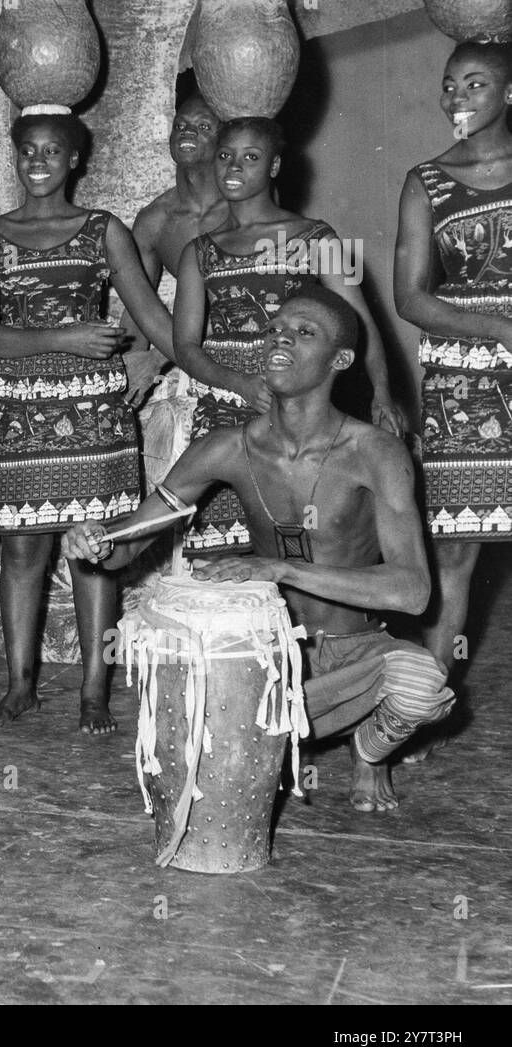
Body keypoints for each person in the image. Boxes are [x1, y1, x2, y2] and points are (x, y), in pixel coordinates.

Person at [64, 287, 454, 811]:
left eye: (303, 332)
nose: (279, 337)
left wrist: (280, 568)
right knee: (208, 736)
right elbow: (124, 550)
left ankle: (370, 750)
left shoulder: (375, 452)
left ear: (341, 360)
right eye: (274, 328)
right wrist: (93, 543)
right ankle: (285, 731)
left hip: (356, 650)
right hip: (269, 657)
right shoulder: (226, 446)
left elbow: (412, 592)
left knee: (421, 682)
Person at [0, 109, 176, 733]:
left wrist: (197, 361)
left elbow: (150, 314)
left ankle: (92, 692)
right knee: (23, 548)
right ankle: (20, 685)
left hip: (94, 413)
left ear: (74, 160)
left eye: (51, 151)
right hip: (20, 409)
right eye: (27, 151)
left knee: (93, 548)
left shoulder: (101, 229)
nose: (37, 162)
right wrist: (67, 336)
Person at [173, 116, 404, 554]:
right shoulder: (197, 251)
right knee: (223, 553)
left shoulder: (317, 237)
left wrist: (383, 393)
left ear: (275, 167)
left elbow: (362, 325)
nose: (234, 167)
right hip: (223, 407)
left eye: (251, 157)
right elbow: (185, 345)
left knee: (295, 543)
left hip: (296, 408)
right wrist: (237, 383)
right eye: (225, 156)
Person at [394, 40, 512, 697]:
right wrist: (497, 328)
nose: (457, 98)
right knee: (458, 549)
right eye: (450, 85)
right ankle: (422, 701)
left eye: (476, 85)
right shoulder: (427, 181)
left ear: (508, 94)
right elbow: (410, 296)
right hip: (463, 384)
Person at [124, 94, 229, 487]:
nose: (188, 133)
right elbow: (138, 304)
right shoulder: (155, 220)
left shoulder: (241, 210)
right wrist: (137, 363)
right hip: (185, 362)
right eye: (182, 125)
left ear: (222, 141)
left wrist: (159, 359)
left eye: (204, 128)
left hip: (244, 357)